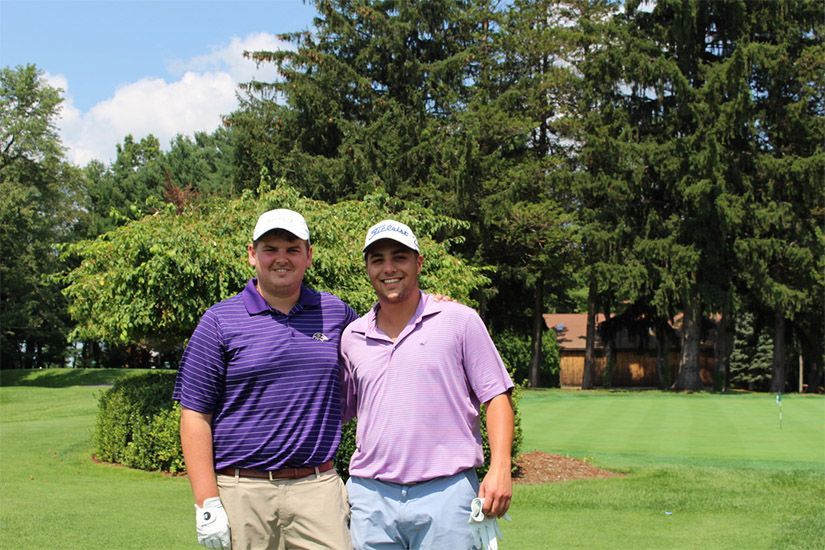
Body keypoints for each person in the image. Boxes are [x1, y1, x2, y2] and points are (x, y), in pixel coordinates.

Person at [173, 208, 357, 550]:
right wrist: (206, 502)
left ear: (309, 256)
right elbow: (195, 415)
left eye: (292, 249)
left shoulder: (336, 313)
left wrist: (429, 304)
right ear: (252, 254)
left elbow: (384, 336)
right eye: (270, 249)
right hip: (242, 492)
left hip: (318, 489)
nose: (281, 258)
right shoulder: (218, 321)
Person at [341, 219, 515, 550]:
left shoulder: (459, 321)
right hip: (370, 499)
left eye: (399, 257)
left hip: (446, 495)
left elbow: (497, 397)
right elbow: (336, 411)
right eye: (377, 259)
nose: (388, 268)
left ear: (418, 263)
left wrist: (500, 468)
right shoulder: (353, 336)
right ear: (367, 268)